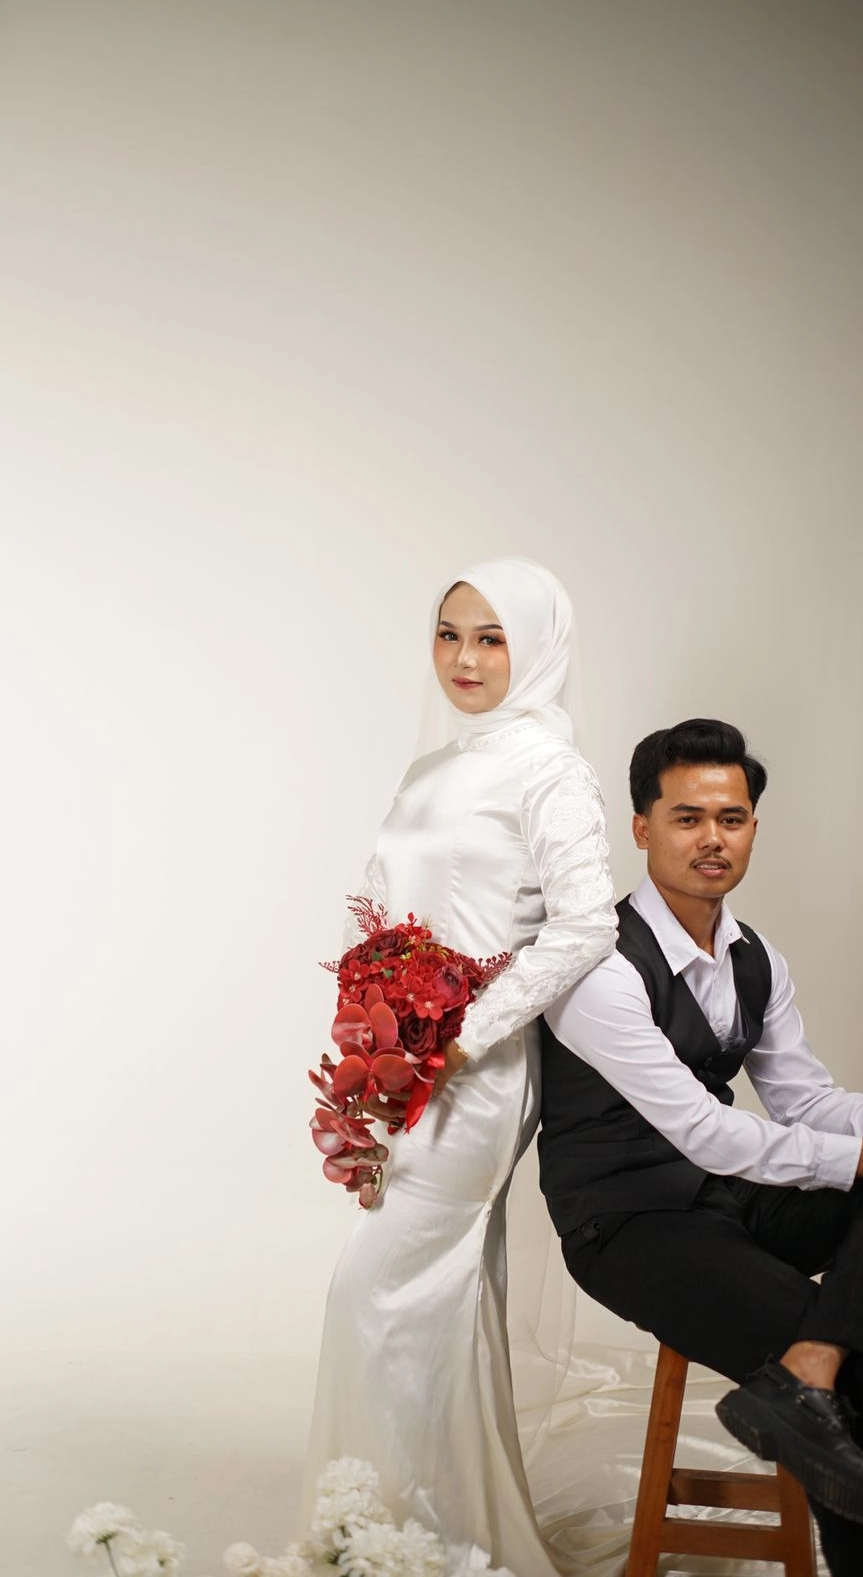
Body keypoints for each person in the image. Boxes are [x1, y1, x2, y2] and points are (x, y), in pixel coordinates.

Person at [538, 718, 863, 1577]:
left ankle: (807, 1370)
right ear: (642, 829)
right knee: (850, 1374)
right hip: (626, 1223)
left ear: (752, 827)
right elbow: (703, 1129)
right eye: (687, 817)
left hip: (725, 1196)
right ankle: (822, 1389)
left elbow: (803, 1100)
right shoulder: (599, 965)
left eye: (731, 818)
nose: (712, 838)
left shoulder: (757, 959)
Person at [305, 557, 617, 1575]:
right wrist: (370, 1036)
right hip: (400, 1064)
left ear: (538, 647)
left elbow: (586, 924)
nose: (465, 658)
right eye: (449, 634)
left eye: (492, 638)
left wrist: (463, 1034)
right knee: (438, 1295)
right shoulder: (432, 768)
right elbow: (380, 911)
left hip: (476, 1074)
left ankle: (405, 1529)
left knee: (375, 1289)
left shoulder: (549, 769)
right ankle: (421, 1533)